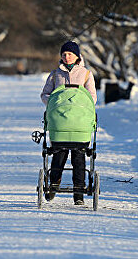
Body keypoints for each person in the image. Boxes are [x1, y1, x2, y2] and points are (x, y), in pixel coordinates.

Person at [40, 41, 97, 205]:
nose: (66, 57)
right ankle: (53, 184)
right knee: (59, 155)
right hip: (60, 121)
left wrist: (77, 104)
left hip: (79, 121)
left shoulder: (86, 74)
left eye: (70, 54)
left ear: (77, 55)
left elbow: (92, 97)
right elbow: (44, 94)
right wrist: (55, 102)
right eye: (64, 54)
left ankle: (78, 191)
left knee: (79, 158)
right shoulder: (55, 74)